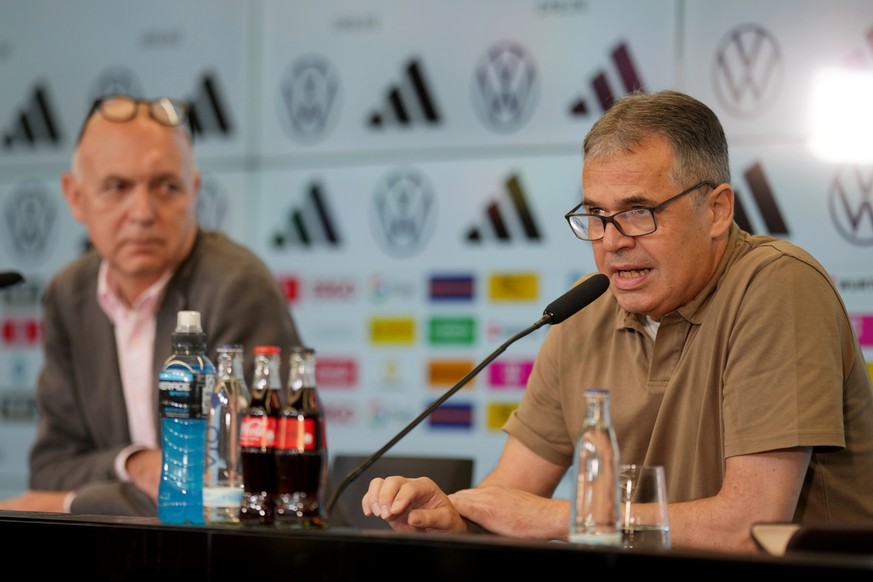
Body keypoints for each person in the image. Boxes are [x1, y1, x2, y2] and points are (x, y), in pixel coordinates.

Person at [360, 90, 873, 553]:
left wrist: (558, 518)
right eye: (596, 216)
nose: (611, 241)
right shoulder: (586, 312)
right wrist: (453, 515)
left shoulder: (778, 285)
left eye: (638, 212)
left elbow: (750, 527)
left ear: (716, 211)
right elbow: (511, 498)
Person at [0, 95, 302, 516]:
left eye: (166, 187)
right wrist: (135, 463)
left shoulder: (237, 287)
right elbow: (51, 469)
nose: (142, 212)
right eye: (117, 187)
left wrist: (81, 502)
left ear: (194, 191)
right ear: (75, 196)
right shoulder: (68, 295)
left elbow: (251, 482)